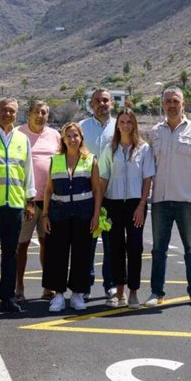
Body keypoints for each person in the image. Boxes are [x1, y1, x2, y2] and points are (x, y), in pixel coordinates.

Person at [145, 87, 191, 308]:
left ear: (183, 104)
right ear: (163, 104)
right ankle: (156, 293)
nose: (171, 105)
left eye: (176, 101)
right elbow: (148, 167)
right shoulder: (155, 132)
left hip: (188, 201)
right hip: (160, 202)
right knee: (158, 250)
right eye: (168, 101)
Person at [0, 97, 36, 314]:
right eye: (4, 110)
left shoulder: (23, 139)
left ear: (17, 114)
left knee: (10, 254)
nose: (8, 114)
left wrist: (30, 200)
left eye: (12, 111)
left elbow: (28, 172)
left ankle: (8, 297)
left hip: (14, 205)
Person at [42, 122, 102, 312]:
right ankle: (58, 295)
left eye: (76, 135)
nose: (72, 139)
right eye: (68, 136)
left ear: (81, 138)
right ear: (63, 139)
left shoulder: (90, 160)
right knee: (56, 254)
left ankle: (77, 295)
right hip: (59, 214)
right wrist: (44, 215)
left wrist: (96, 215)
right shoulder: (55, 160)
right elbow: (48, 190)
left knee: (82, 255)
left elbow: (97, 190)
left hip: (83, 214)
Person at [98, 108, 155, 309]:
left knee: (135, 247)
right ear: (117, 125)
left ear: (134, 124)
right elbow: (103, 179)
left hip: (135, 204)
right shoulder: (109, 149)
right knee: (115, 249)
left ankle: (133, 293)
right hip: (112, 203)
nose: (125, 125)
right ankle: (119, 293)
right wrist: (98, 208)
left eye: (129, 122)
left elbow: (148, 179)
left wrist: (141, 206)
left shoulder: (144, 149)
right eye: (122, 122)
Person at [15, 100, 61, 302]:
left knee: (47, 245)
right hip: (25, 200)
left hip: (49, 201)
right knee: (21, 245)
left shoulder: (55, 135)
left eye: (44, 113)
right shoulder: (18, 133)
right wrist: (27, 200)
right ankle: (19, 288)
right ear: (28, 115)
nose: (40, 116)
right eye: (36, 112)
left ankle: (48, 287)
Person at [79, 88, 116, 299]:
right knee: (87, 243)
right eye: (97, 101)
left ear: (111, 103)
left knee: (111, 242)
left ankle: (110, 284)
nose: (101, 104)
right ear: (91, 104)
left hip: (113, 195)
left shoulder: (120, 126)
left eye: (105, 100)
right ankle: (85, 285)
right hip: (88, 195)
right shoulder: (83, 128)